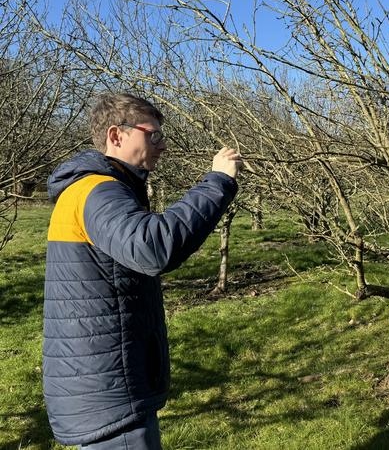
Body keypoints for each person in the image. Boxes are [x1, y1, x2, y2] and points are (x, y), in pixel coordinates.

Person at [42, 92, 242, 449]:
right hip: (110, 393)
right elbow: (152, 248)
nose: (162, 145)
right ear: (117, 136)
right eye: (154, 135)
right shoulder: (98, 191)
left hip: (97, 382)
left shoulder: (88, 190)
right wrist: (218, 183)